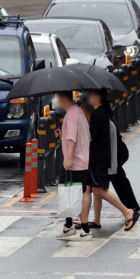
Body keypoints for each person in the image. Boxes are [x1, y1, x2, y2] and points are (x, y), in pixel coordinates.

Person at [85, 89, 139, 233]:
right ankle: (96, 219)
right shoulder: (104, 112)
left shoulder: (98, 114)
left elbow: (92, 137)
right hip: (105, 157)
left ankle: (127, 212)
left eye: (90, 94)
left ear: (98, 96)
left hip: (101, 159)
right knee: (97, 190)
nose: (88, 96)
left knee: (100, 190)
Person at [53, 91, 93, 241]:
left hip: (75, 163)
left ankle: (85, 229)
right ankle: (69, 226)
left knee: (74, 194)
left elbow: (72, 140)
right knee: (69, 192)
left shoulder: (71, 115)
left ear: (63, 98)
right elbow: (75, 136)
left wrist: (68, 158)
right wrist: (61, 136)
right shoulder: (78, 112)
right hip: (80, 161)